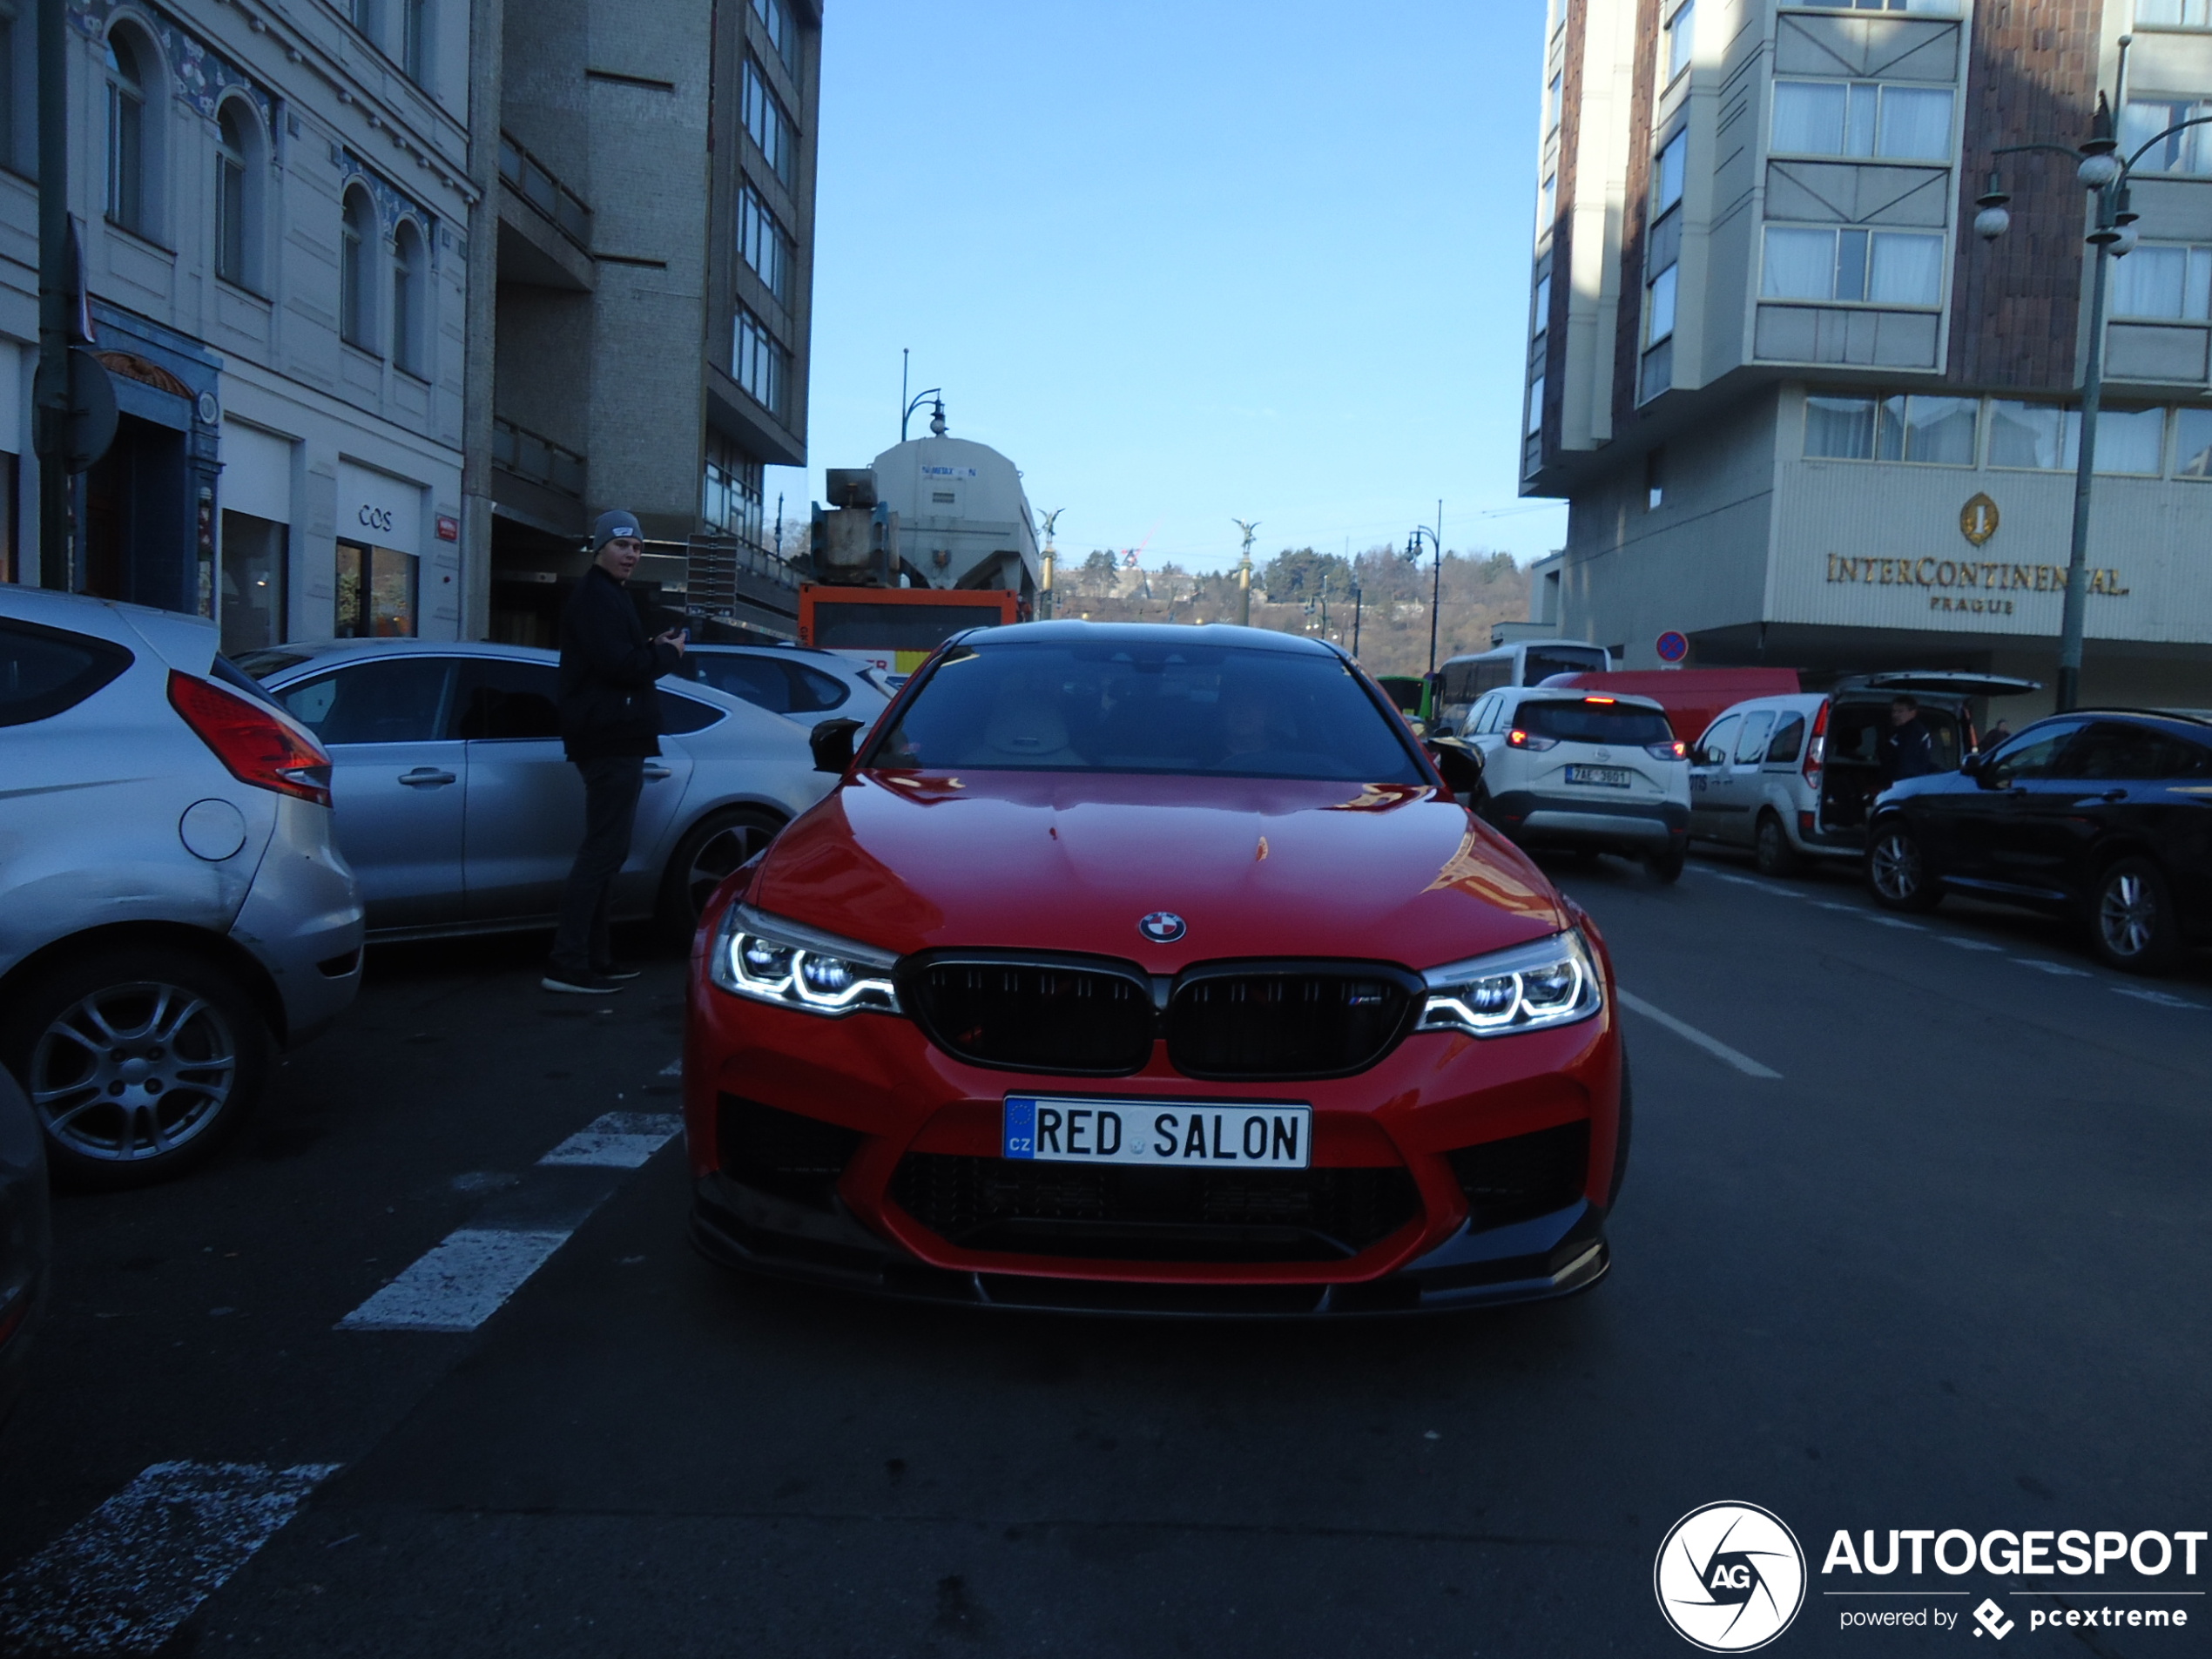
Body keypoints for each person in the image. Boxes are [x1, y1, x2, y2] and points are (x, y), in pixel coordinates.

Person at [543, 509, 686, 995]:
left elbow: (619, 656)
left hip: (616, 738)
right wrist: (667, 654)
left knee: (609, 852)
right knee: (602, 852)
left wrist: (651, 644)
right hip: (607, 741)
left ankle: (597, 956)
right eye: (622, 545)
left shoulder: (610, 597)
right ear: (599, 547)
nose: (631, 555)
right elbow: (620, 666)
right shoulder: (595, 598)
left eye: (638, 548)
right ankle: (568, 962)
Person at [1883, 694, 1936, 783]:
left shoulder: (1913, 732)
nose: (1895, 715)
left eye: (1900, 711)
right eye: (1894, 711)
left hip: (1907, 782)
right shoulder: (1900, 731)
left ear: (1913, 713)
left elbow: (1906, 762)